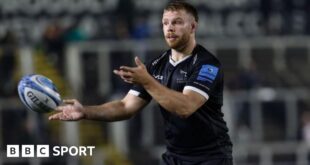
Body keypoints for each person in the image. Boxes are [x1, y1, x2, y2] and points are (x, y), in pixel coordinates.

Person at [49, 1, 233, 164]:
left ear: (193, 27)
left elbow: (185, 107)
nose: (170, 28)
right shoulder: (155, 66)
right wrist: (85, 111)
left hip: (211, 157)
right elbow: (125, 107)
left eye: (177, 22)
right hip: (174, 157)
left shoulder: (206, 64)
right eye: (165, 23)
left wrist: (147, 81)